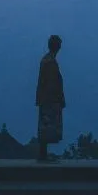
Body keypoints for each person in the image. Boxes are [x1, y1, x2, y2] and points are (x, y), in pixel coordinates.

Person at [35, 34, 65, 162]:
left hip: (45, 98)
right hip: (50, 99)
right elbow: (53, 83)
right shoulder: (50, 62)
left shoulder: (46, 60)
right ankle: (43, 155)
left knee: (45, 126)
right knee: (47, 126)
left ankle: (43, 154)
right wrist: (59, 99)